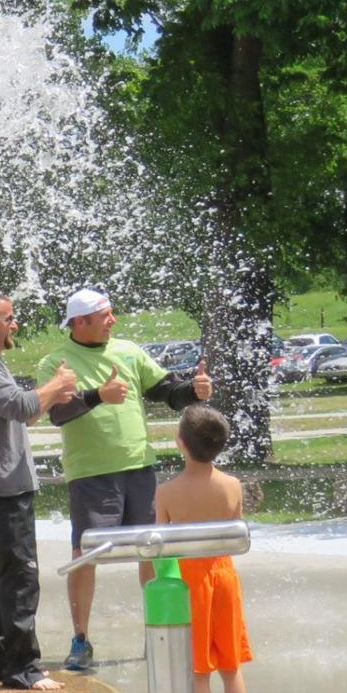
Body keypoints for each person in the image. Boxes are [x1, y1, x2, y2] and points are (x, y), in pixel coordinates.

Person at [36, 287, 212, 671]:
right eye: (105, 315)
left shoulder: (129, 351)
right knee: (85, 556)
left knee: (152, 549)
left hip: (139, 467)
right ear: (81, 322)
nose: (113, 321)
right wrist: (99, 395)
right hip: (91, 474)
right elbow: (57, 415)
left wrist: (192, 392)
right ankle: (80, 640)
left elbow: (165, 391)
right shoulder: (56, 363)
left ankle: (159, 632)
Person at [0, 293, 80, 691]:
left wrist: (50, 397)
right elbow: (19, 406)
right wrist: (56, 384)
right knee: (20, 579)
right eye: (9, 318)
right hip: (3, 489)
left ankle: (3, 663)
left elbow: (22, 409)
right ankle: (25, 667)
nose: (15, 325)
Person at [155, 404, 253, 693]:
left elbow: (160, 544)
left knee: (198, 668)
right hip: (224, 575)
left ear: (180, 442)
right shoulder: (232, 486)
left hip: (189, 580)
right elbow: (235, 535)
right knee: (231, 665)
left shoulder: (167, 492)